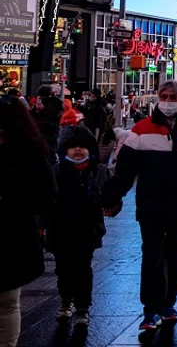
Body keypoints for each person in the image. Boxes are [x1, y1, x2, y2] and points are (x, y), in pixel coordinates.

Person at [102, 81, 177, 332]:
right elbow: (125, 170)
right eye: (164, 96)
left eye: (173, 97)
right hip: (151, 206)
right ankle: (151, 308)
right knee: (153, 257)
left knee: (176, 256)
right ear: (158, 98)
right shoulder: (142, 130)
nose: (168, 101)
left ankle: (168, 302)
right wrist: (112, 197)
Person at [0, 96, 57, 347]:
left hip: (13, 233)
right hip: (17, 233)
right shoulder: (33, 151)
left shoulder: (30, 154)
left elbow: (47, 195)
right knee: (9, 300)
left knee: (8, 300)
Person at [46, 126, 109, 326]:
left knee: (83, 267)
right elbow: (47, 201)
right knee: (63, 268)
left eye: (83, 146)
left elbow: (108, 196)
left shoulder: (98, 172)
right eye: (73, 147)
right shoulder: (57, 171)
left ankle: (82, 306)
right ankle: (66, 301)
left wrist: (110, 205)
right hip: (60, 229)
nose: (78, 150)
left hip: (87, 229)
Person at [33, 84, 64, 164]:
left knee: (50, 151)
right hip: (39, 129)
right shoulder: (40, 101)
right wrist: (36, 109)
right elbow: (34, 114)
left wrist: (44, 109)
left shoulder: (57, 102)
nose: (42, 98)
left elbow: (57, 115)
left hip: (51, 130)